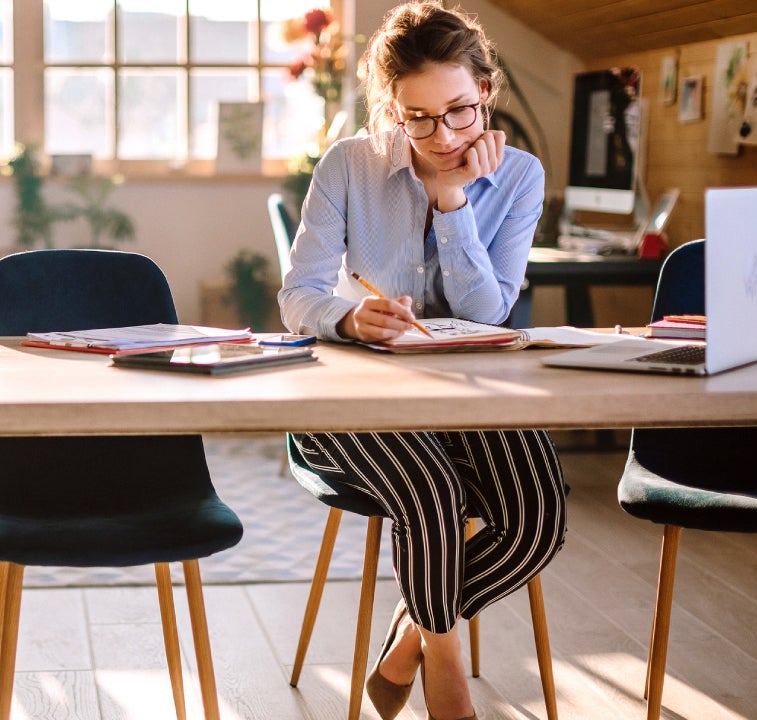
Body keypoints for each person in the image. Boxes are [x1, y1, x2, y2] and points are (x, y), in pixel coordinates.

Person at [277, 3, 567, 719]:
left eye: (461, 113)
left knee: (537, 518)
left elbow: (489, 312)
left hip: (471, 394)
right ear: (391, 110)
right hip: (354, 396)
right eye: (420, 118)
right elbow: (297, 295)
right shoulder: (350, 164)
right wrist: (347, 316)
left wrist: (451, 202)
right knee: (431, 496)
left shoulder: (520, 176)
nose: (444, 137)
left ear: (486, 93)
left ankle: (410, 633)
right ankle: (448, 670)